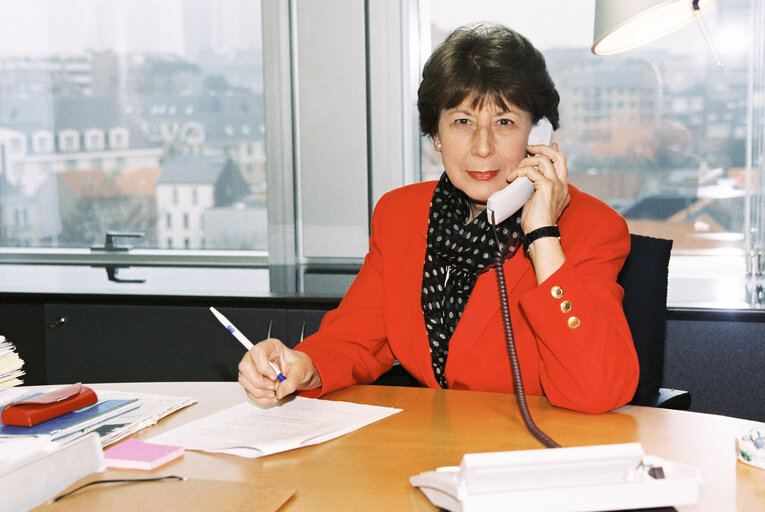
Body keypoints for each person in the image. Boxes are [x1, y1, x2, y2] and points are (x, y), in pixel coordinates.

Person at [238, 22, 639, 414]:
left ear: (539, 134)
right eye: (462, 121)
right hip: (430, 449)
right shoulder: (401, 215)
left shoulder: (591, 228)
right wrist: (302, 367)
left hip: (531, 456)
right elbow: (356, 339)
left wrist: (543, 237)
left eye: (504, 122)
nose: (482, 147)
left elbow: (598, 389)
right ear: (436, 135)